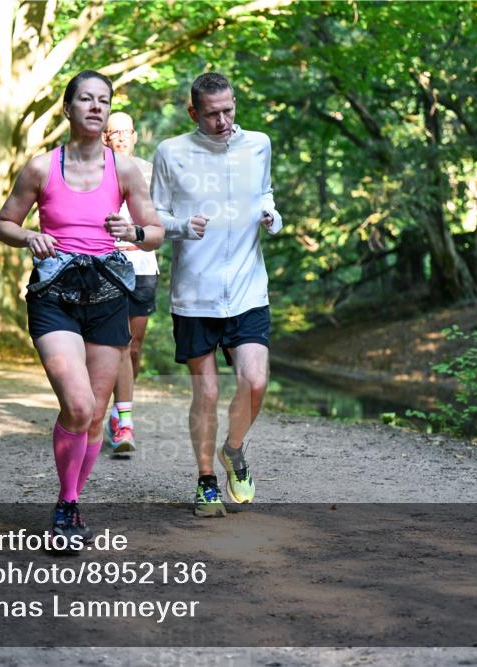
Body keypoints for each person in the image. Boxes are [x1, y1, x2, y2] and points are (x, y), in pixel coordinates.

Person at [0, 71, 163, 545]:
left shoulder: (124, 170)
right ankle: (68, 504)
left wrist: (135, 233)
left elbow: (155, 231)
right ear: (68, 108)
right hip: (55, 295)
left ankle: (69, 503)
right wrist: (30, 235)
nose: (95, 107)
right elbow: (3, 223)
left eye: (103, 101)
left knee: (94, 415)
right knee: (79, 403)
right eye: (85, 99)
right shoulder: (40, 168)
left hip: (109, 292)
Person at [150, 72, 282, 517]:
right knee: (205, 392)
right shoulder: (171, 152)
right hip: (195, 293)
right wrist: (181, 227)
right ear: (193, 113)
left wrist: (271, 215)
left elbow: (264, 194)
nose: (224, 121)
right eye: (212, 114)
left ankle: (234, 449)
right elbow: (155, 216)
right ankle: (206, 481)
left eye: (229, 110)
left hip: (248, 287)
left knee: (255, 381)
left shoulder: (258, 144)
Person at [101, 111, 157, 455]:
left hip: (142, 263)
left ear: (136, 136)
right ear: (106, 137)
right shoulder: (96, 169)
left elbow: (161, 219)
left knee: (133, 346)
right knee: (116, 343)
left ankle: (117, 409)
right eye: (114, 132)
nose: (121, 137)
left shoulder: (150, 171)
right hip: (106, 263)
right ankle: (124, 421)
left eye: (127, 132)